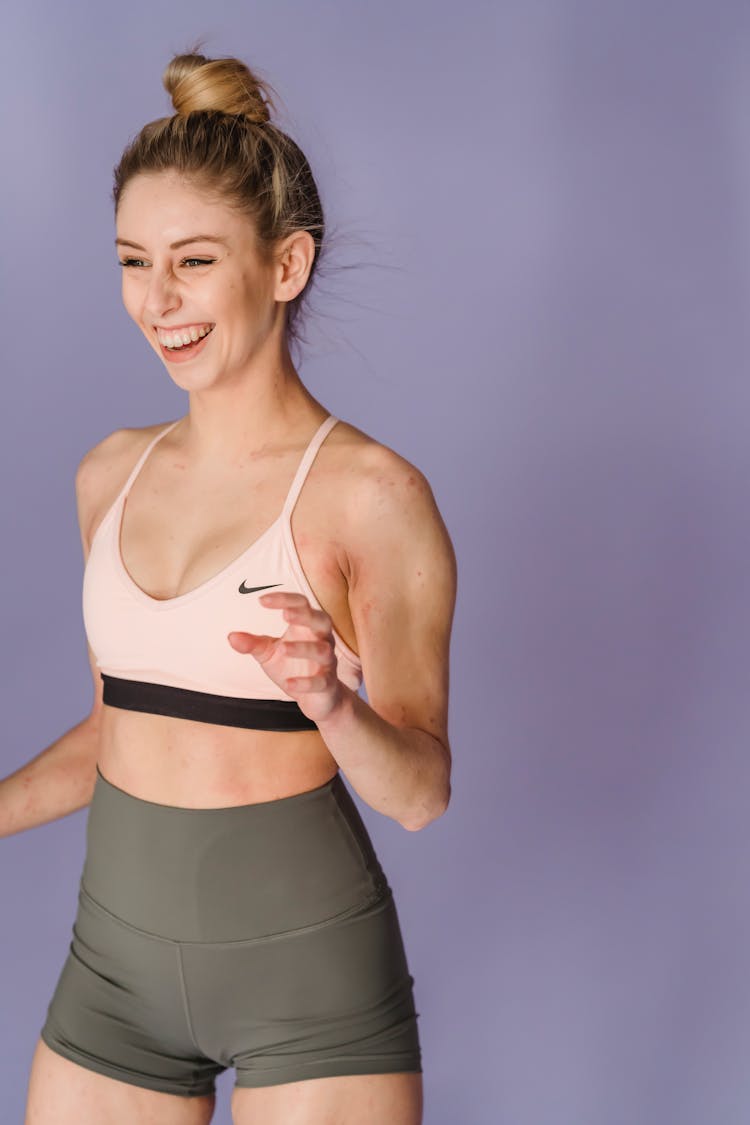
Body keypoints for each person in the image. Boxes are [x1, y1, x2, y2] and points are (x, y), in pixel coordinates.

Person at [12, 50, 456, 1125]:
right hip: (110, 978)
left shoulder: (372, 496)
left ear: (285, 265)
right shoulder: (107, 475)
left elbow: (419, 792)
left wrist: (333, 704)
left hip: (311, 992)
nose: (157, 301)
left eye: (195, 261)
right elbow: (116, 727)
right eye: (133, 261)